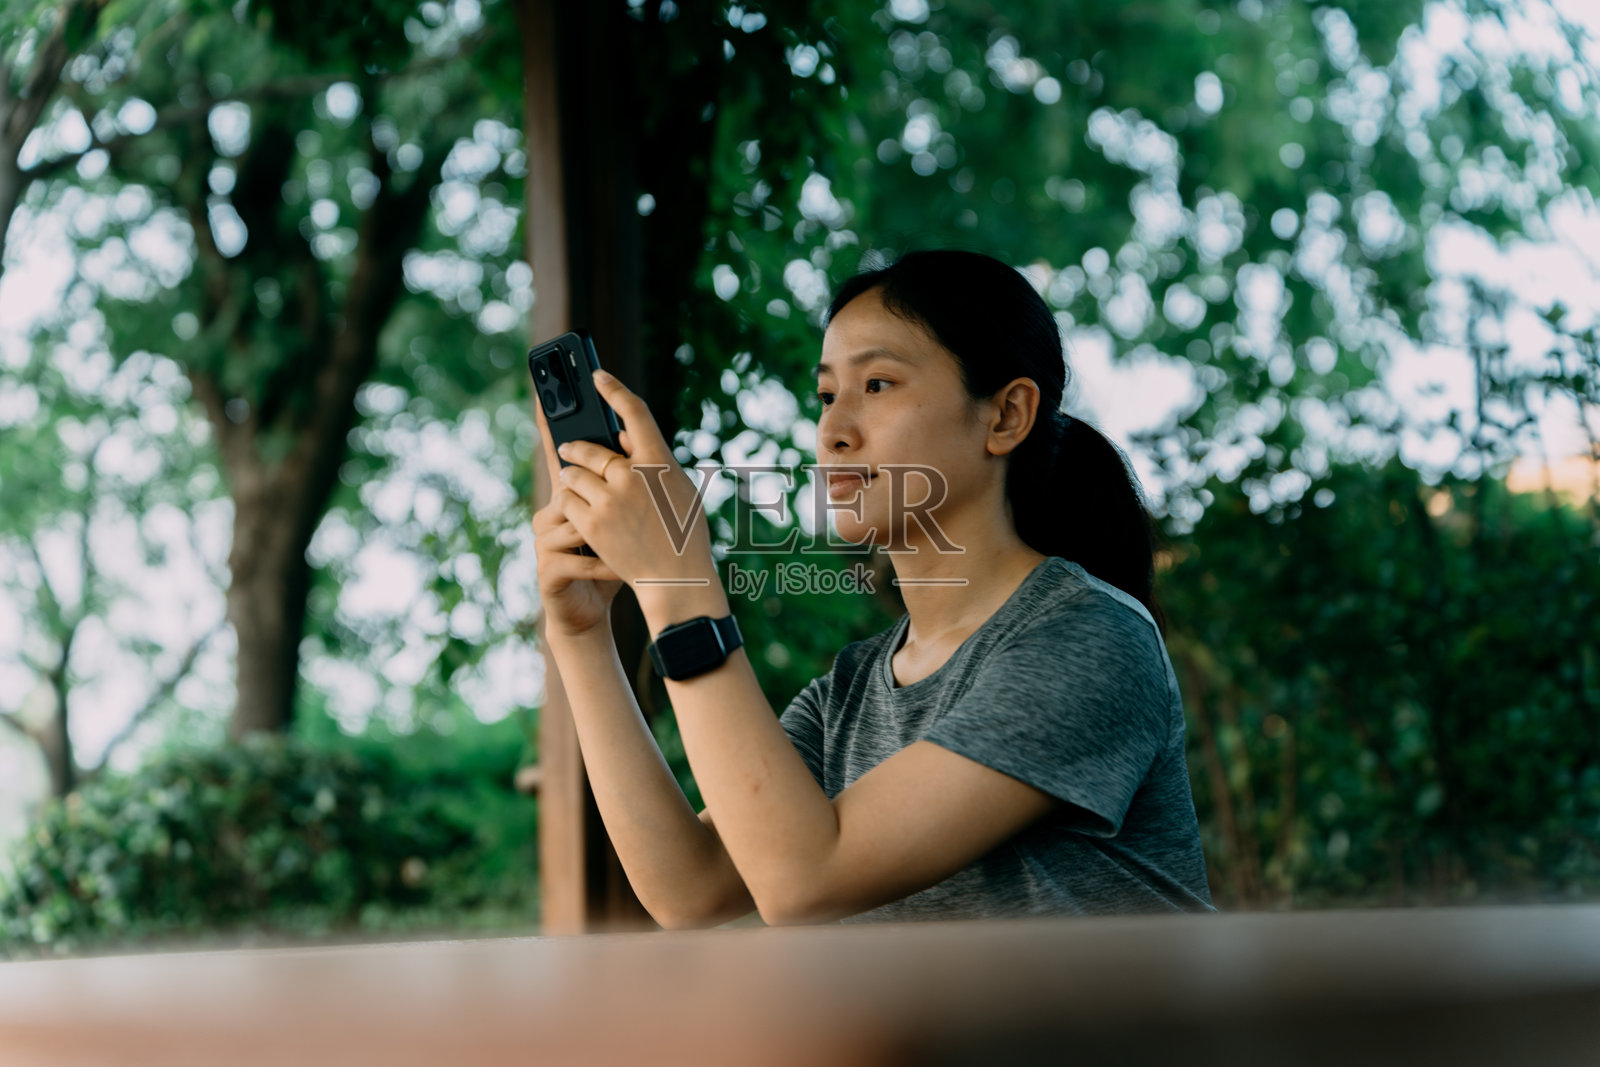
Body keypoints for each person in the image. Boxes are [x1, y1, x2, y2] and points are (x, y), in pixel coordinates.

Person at [531, 248, 1214, 927]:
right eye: (827, 394)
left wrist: (676, 580)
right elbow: (692, 883)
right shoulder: (853, 691)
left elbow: (802, 878)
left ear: (1005, 415)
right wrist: (582, 635)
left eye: (878, 385)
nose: (833, 430)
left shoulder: (1089, 637)